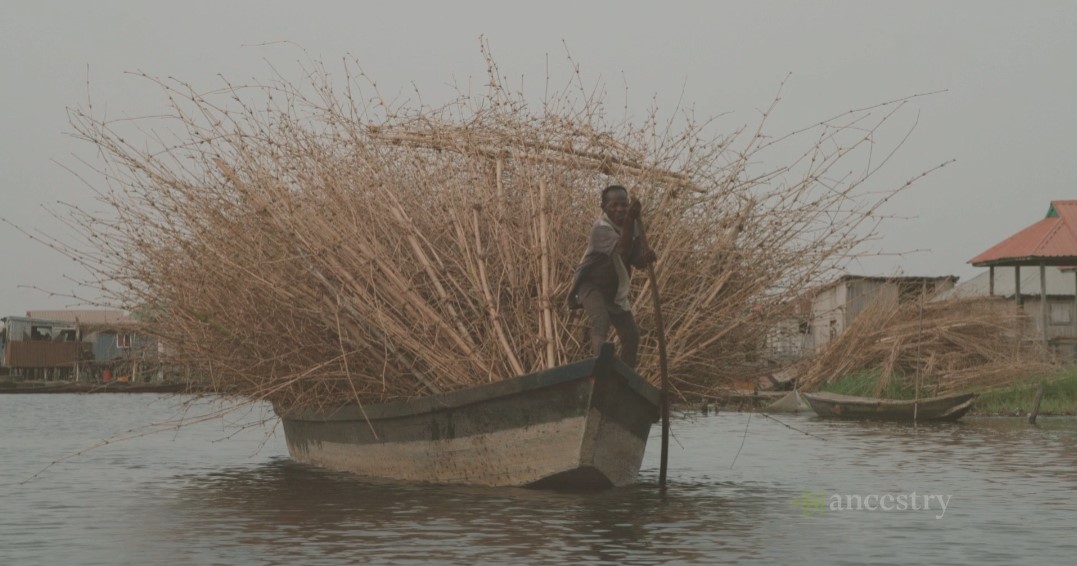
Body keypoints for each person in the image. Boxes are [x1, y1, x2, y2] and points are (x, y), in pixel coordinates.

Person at [567, 185, 657, 368]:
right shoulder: (601, 228)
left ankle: (625, 377)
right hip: (591, 286)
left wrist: (646, 257)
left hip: (614, 291)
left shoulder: (634, 227)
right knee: (601, 319)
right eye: (614, 205)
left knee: (631, 335)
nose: (620, 210)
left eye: (624, 205)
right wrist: (631, 219)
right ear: (604, 207)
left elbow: (636, 261)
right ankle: (601, 368)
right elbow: (622, 250)